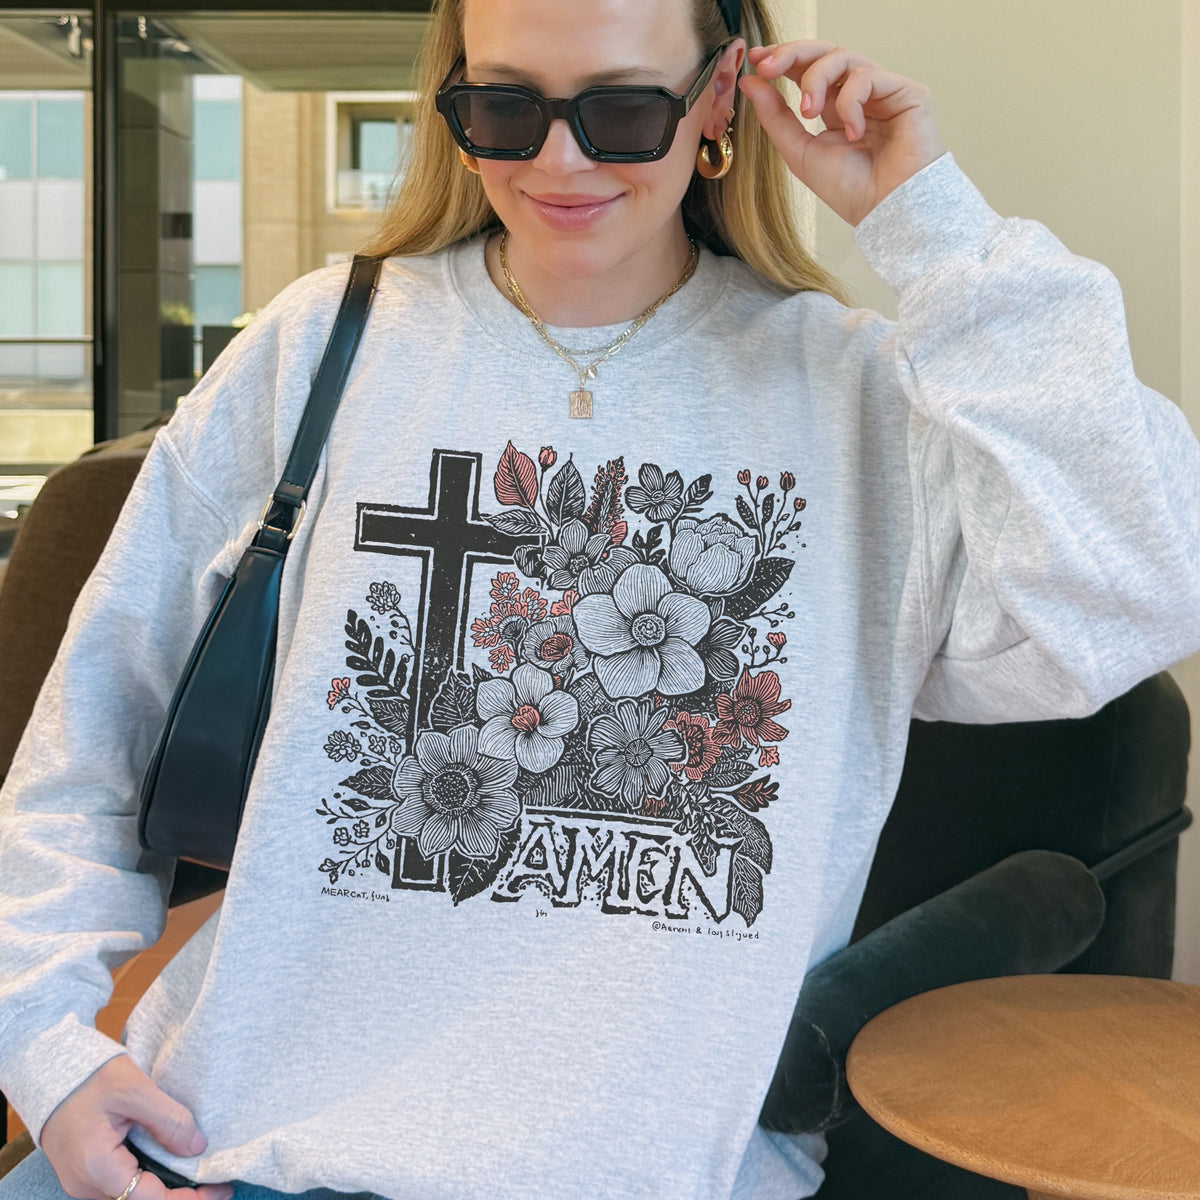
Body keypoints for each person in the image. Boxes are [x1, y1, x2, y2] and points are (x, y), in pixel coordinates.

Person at [1, 0, 1199, 1197]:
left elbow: (1132, 595)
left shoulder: (859, 399)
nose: (556, 161)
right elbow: (94, 720)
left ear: (719, 96)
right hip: (222, 1148)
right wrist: (47, 1052)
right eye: (503, 109)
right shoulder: (326, 343)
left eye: (622, 110)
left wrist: (928, 221)